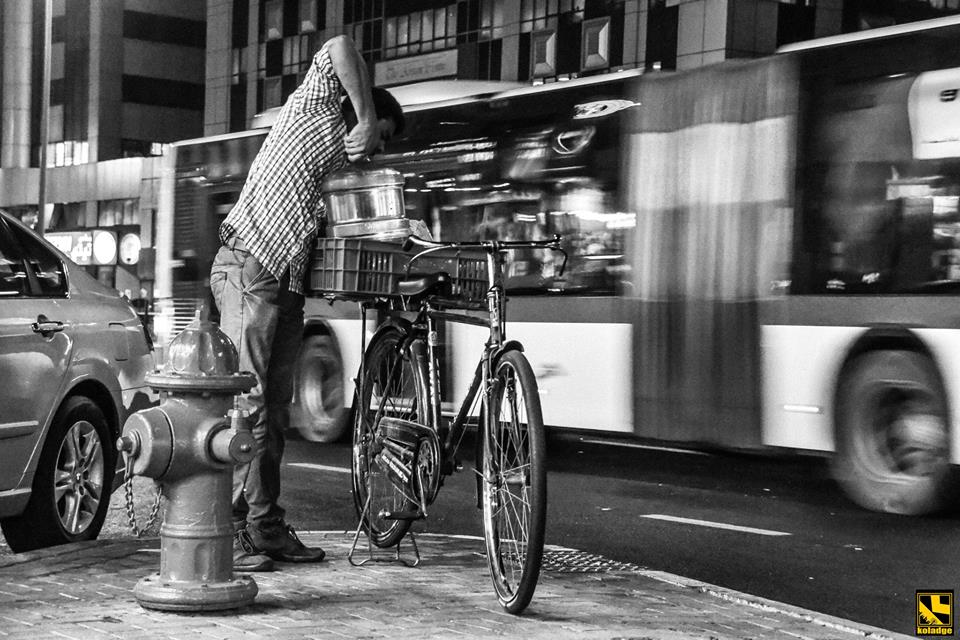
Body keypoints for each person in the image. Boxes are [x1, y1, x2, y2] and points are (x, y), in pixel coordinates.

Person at [210, 35, 404, 572]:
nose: (378, 147)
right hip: (251, 268)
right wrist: (366, 116)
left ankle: (264, 526)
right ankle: (224, 532)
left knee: (274, 412)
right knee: (246, 407)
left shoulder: (334, 170)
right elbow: (342, 44)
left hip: (284, 285)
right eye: (381, 135)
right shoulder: (316, 103)